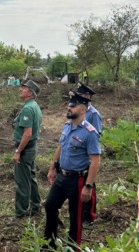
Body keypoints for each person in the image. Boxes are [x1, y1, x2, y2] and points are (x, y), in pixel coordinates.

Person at [43, 92, 101, 251]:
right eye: (69, 105)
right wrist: (52, 167)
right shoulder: (67, 126)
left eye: (73, 106)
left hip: (78, 180)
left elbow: (95, 160)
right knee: (50, 205)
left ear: (82, 109)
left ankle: (73, 247)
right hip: (62, 176)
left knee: (75, 217)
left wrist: (88, 186)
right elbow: (61, 146)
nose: (69, 108)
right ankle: (49, 243)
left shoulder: (90, 132)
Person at [12, 80, 43, 219]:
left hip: (25, 150)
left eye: (24, 88)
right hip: (31, 148)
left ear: (30, 92)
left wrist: (18, 152)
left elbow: (27, 133)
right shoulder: (34, 106)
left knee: (22, 182)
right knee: (30, 178)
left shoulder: (27, 109)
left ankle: (20, 214)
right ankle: (36, 206)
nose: (21, 89)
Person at [76, 82, 102, 226]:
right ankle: (80, 213)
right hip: (77, 154)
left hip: (88, 154)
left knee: (89, 183)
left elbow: (96, 136)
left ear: (87, 96)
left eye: (81, 95)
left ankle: (89, 216)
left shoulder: (93, 114)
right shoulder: (77, 111)